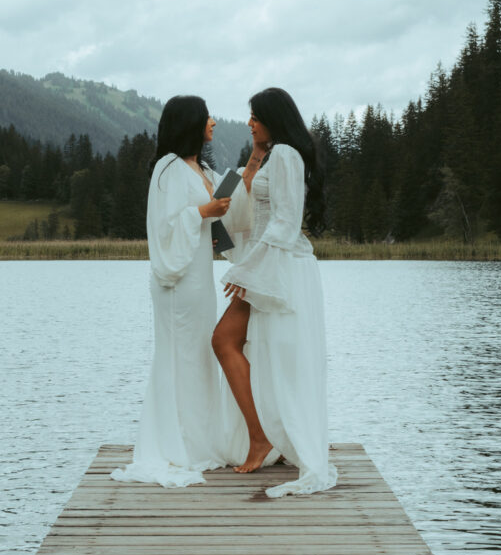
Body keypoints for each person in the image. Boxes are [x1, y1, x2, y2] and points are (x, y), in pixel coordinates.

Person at [111, 95, 262, 487]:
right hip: (175, 284)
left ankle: (200, 440)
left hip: (198, 279)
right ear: (190, 124)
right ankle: (176, 444)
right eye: (206, 117)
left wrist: (245, 174)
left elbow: (218, 217)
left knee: (198, 358)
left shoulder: (203, 168)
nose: (212, 122)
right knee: (179, 358)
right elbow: (165, 226)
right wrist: (202, 213)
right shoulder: (167, 168)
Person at [213, 87, 337, 497]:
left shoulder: (285, 155)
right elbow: (251, 207)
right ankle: (273, 437)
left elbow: (285, 223)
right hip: (267, 267)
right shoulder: (271, 155)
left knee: (238, 343)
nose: (249, 122)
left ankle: (265, 437)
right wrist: (252, 156)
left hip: (279, 269)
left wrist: (247, 270)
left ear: (273, 118)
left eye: (254, 116)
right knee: (271, 354)